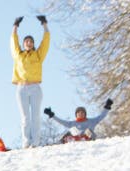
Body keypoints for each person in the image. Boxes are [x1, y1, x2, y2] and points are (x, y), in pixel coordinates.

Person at [11, 15, 50, 148]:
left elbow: (45, 42)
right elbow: (13, 42)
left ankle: (36, 142)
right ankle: (26, 142)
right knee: (25, 117)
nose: (29, 43)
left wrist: (44, 24)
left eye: (31, 41)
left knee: (35, 116)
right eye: (26, 41)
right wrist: (15, 26)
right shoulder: (18, 55)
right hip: (21, 87)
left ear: (33, 44)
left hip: (35, 87)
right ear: (23, 44)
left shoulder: (38, 55)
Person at [43, 99, 113, 143]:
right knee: (72, 130)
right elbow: (61, 121)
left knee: (88, 130)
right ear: (76, 115)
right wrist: (52, 115)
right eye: (79, 113)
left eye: (82, 113)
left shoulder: (92, 121)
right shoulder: (72, 123)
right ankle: (69, 141)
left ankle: (85, 139)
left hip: (87, 137)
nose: (81, 114)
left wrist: (107, 107)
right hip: (76, 137)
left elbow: (101, 116)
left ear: (85, 114)